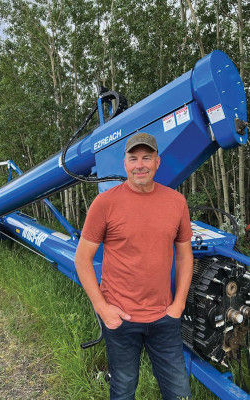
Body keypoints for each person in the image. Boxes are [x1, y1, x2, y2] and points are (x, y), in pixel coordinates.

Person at [75, 132, 193, 400]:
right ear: (125, 163)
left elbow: (185, 255)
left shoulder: (176, 202)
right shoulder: (105, 203)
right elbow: (82, 259)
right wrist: (102, 308)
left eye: (146, 158)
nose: (140, 164)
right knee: (123, 389)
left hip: (165, 317)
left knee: (179, 392)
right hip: (121, 319)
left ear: (157, 162)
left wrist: (179, 305)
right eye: (134, 158)